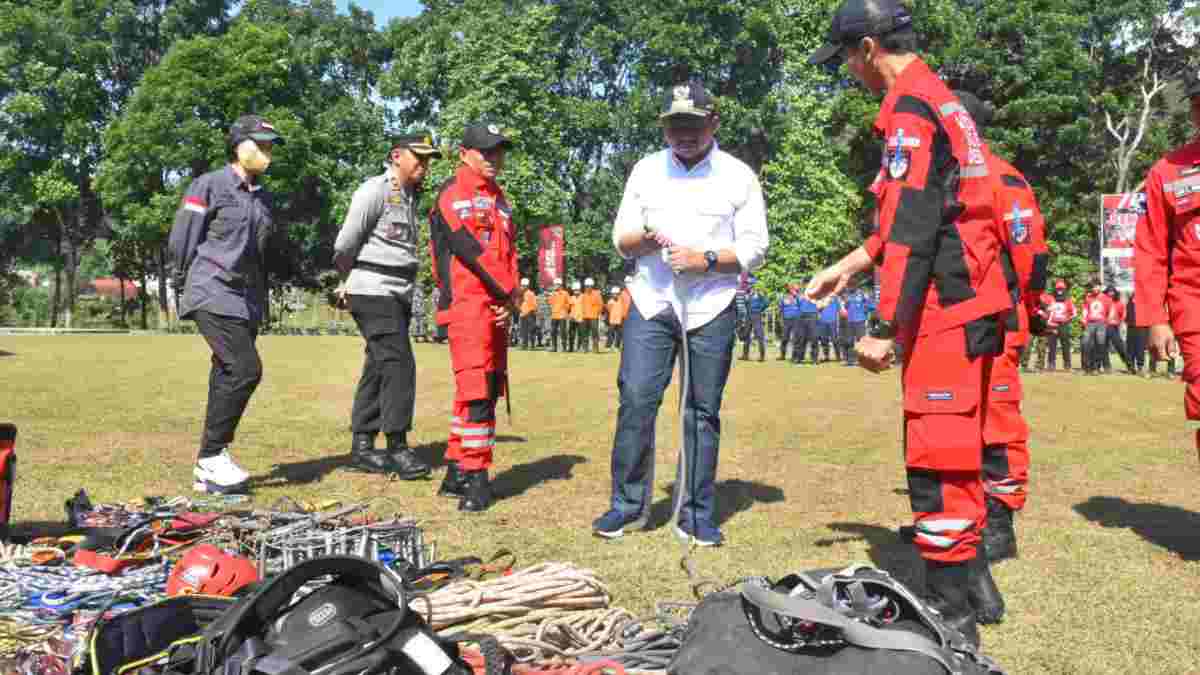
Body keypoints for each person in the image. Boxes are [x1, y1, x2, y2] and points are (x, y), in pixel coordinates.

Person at [806, 0, 1011, 644]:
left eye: (844, 58)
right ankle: (975, 582)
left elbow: (919, 222)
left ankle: (949, 615)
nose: (847, 71)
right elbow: (931, 208)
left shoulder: (911, 110)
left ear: (867, 48)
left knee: (938, 456)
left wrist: (886, 326)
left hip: (944, 308)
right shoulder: (943, 100)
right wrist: (854, 263)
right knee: (963, 454)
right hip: (973, 296)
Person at [592, 79, 768, 547]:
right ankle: (627, 507)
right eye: (675, 126)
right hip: (651, 303)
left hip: (711, 307)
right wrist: (646, 239)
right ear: (664, 128)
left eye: (693, 124)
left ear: (712, 122)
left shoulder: (738, 176)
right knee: (635, 401)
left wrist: (705, 260)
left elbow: (755, 247)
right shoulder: (646, 171)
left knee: (701, 412)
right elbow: (621, 240)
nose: (684, 134)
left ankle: (694, 513)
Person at [954, 89, 1050, 569]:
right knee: (953, 426)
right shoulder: (935, 181)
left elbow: (1029, 255)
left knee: (997, 423)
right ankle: (958, 519)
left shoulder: (1003, 179)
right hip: (947, 326)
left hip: (997, 320)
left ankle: (998, 523)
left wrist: (1031, 307)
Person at [168, 115, 286, 495]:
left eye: (270, 145)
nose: (267, 152)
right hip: (211, 289)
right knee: (245, 368)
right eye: (261, 144)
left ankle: (209, 463)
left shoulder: (264, 197)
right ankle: (212, 458)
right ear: (239, 145)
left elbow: (262, 256)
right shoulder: (208, 185)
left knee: (226, 373)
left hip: (245, 300)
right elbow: (183, 240)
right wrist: (182, 285)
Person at [334, 132, 442, 479]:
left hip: (398, 291)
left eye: (428, 159)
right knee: (399, 363)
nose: (424, 165)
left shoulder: (410, 196)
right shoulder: (374, 191)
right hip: (373, 288)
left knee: (379, 365)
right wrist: (346, 280)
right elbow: (345, 243)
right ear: (397, 156)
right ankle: (398, 447)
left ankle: (362, 448)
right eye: (419, 157)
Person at [428, 121, 519, 513]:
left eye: (499, 151)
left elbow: (509, 254)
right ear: (464, 153)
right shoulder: (452, 195)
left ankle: (455, 471)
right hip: (467, 305)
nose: (495, 158)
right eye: (486, 151)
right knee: (477, 391)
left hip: (495, 306)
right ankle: (476, 480)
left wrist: (509, 299)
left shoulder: (501, 200)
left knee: (488, 386)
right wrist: (509, 292)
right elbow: (470, 251)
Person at [1136, 69, 1200, 449]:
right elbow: (1150, 250)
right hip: (1194, 303)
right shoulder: (1167, 172)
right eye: (1197, 105)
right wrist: (1156, 320)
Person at [1080, 278, 1111, 376]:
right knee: (1085, 344)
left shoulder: (1106, 298)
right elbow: (1085, 309)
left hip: (1101, 324)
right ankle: (1086, 368)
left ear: (1100, 287)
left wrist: (1107, 322)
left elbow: (1110, 311)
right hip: (1089, 324)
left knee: (1100, 344)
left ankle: (1096, 367)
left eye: (1097, 286)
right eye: (1093, 286)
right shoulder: (1088, 297)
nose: (1095, 288)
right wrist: (1084, 319)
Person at [1044, 280, 1077, 372]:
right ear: (1055, 289)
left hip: (1064, 325)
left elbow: (1074, 313)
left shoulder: (1068, 300)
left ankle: (1067, 365)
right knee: (1051, 346)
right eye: (1058, 288)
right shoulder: (1050, 299)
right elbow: (1046, 311)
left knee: (1066, 345)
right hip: (1052, 325)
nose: (1060, 290)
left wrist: (1067, 320)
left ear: (1065, 289)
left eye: (1061, 289)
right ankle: (1051, 365)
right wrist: (1048, 321)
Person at [842, 285, 873, 366]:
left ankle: (863, 360)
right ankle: (850, 360)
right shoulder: (847, 296)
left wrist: (866, 304)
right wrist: (846, 301)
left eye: (852, 286)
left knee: (861, 341)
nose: (851, 288)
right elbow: (845, 307)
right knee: (849, 341)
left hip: (860, 321)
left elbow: (871, 306)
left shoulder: (862, 295)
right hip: (850, 321)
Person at [1103, 288, 1129, 373]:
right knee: (1103, 347)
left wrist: (1119, 322)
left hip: (1113, 327)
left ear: (1115, 293)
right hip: (1103, 326)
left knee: (1120, 346)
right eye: (1109, 292)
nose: (1110, 293)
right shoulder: (1103, 302)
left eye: (1112, 292)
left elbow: (1123, 314)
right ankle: (1106, 366)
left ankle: (1129, 364)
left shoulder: (1119, 303)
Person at [741, 283, 768, 361]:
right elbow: (745, 304)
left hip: (756, 315)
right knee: (746, 335)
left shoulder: (759, 295)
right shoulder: (747, 295)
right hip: (748, 316)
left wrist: (760, 309)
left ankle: (762, 356)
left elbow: (766, 302)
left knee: (760, 335)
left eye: (750, 287)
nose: (749, 288)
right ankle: (745, 355)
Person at [794, 283, 820, 363]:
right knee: (801, 338)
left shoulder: (816, 293)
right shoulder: (799, 294)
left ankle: (814, 358)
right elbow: (798, 304)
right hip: (802, 316)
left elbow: (818, 303)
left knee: (814, 338)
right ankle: (799, 357)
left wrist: (809, 298)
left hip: (812, 315)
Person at [777, 283, 802, 360]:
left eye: (793, 289)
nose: (792, 290)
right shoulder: (783, 297)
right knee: (784, 338)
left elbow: (802, 305)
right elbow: (780, 309)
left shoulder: (799, 297)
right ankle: (782, 355)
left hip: (796, 319)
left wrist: (796, 295)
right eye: (790, 289)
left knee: (795, 338)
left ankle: (794, 356)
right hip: (786, 320)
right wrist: (780, 319)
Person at [580, 277, 604, 353]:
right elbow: (581, 306)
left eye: (589, 286)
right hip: (584, 317)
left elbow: (600, 305)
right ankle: (585, 348)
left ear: (592, 286)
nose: (588, 287)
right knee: (584, 333)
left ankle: (595, 348)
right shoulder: (583, 295)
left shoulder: (597, 294)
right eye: (586, 286)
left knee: (594, 333)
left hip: (594, 316)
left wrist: (598, 313)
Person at [1126, 293, 1148, 376]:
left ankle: (1140, 368)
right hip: (1131, 327)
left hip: (1141, 327)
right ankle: (1130, 367)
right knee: (1130, 348)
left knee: (1140, 348)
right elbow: (1127, 316)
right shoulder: (1129, 303)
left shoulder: (1145, 303)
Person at [816, 293, 841, 362]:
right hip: (822, 322)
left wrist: (838, 321)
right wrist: (823, 303)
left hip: (833, 321)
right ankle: (826, 356)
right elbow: (817, 308)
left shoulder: (835, 298)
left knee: (835, 339)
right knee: (824, 340)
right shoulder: (819, 298)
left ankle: (838, 356)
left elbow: (839, 309)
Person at [549, 278, 569, 352]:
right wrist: (551, 295)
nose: (555, 286)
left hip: (562, 316)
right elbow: (550, 303)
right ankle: (554, 347)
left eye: (557, 284)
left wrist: (564, 310)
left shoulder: (565, 293)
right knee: (553, 331)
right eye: (555, 284)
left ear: (560, 285)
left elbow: (568, 303)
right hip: (554, 315)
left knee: (563, 332)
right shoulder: (553, 293)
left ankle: (564, 347)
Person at [518, 278, 538, 350]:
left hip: (530, 314)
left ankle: (532, 345)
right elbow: (518, 303)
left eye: (524, 286)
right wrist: (520, 311)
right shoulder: (520, 294)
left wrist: (533, 312)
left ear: (527, 286)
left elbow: (535, 304)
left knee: (532, 330)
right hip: (523, 314)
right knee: (524, 330)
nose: (522, 287)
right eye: (522, 285)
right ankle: (524, 345)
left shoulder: (531, 293)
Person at [568, 280, 584, 351]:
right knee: (571, 334)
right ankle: (571, 348)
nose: (575, 291)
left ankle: (579, 347)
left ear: (580, 289)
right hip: (572, 318)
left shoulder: (583, 297)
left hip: (581, 318)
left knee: (581, 334)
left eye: (577, 290)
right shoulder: (571, 298)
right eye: (574, 290)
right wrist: (569, 316)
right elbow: (568, 308)